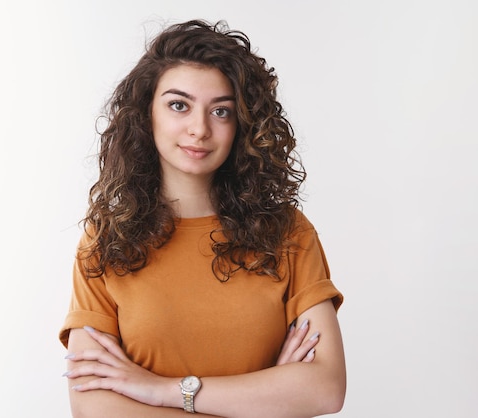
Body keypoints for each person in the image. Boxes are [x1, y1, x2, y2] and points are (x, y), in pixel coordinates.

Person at [59, 19, 346, 417]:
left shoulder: (287, 232)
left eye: (222, 111)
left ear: (242, 125)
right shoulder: (106, 240)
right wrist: (264, 402)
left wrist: (161, 391)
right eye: (179, 105)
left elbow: (325, 390)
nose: (200, 129)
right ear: (147, 114)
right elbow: (95, 409)